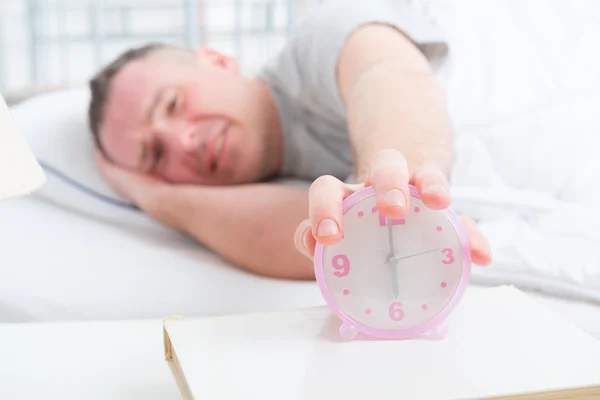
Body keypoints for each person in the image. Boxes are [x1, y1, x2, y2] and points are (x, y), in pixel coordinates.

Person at [87, 0, 492, 279]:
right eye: (156, 156)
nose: (183, 141)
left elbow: (389, 80)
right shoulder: (264, 196)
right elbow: (321, 247)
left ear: (218, 61)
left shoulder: (319, 40)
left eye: (174, 104)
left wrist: (393, 189)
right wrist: (155, 199)